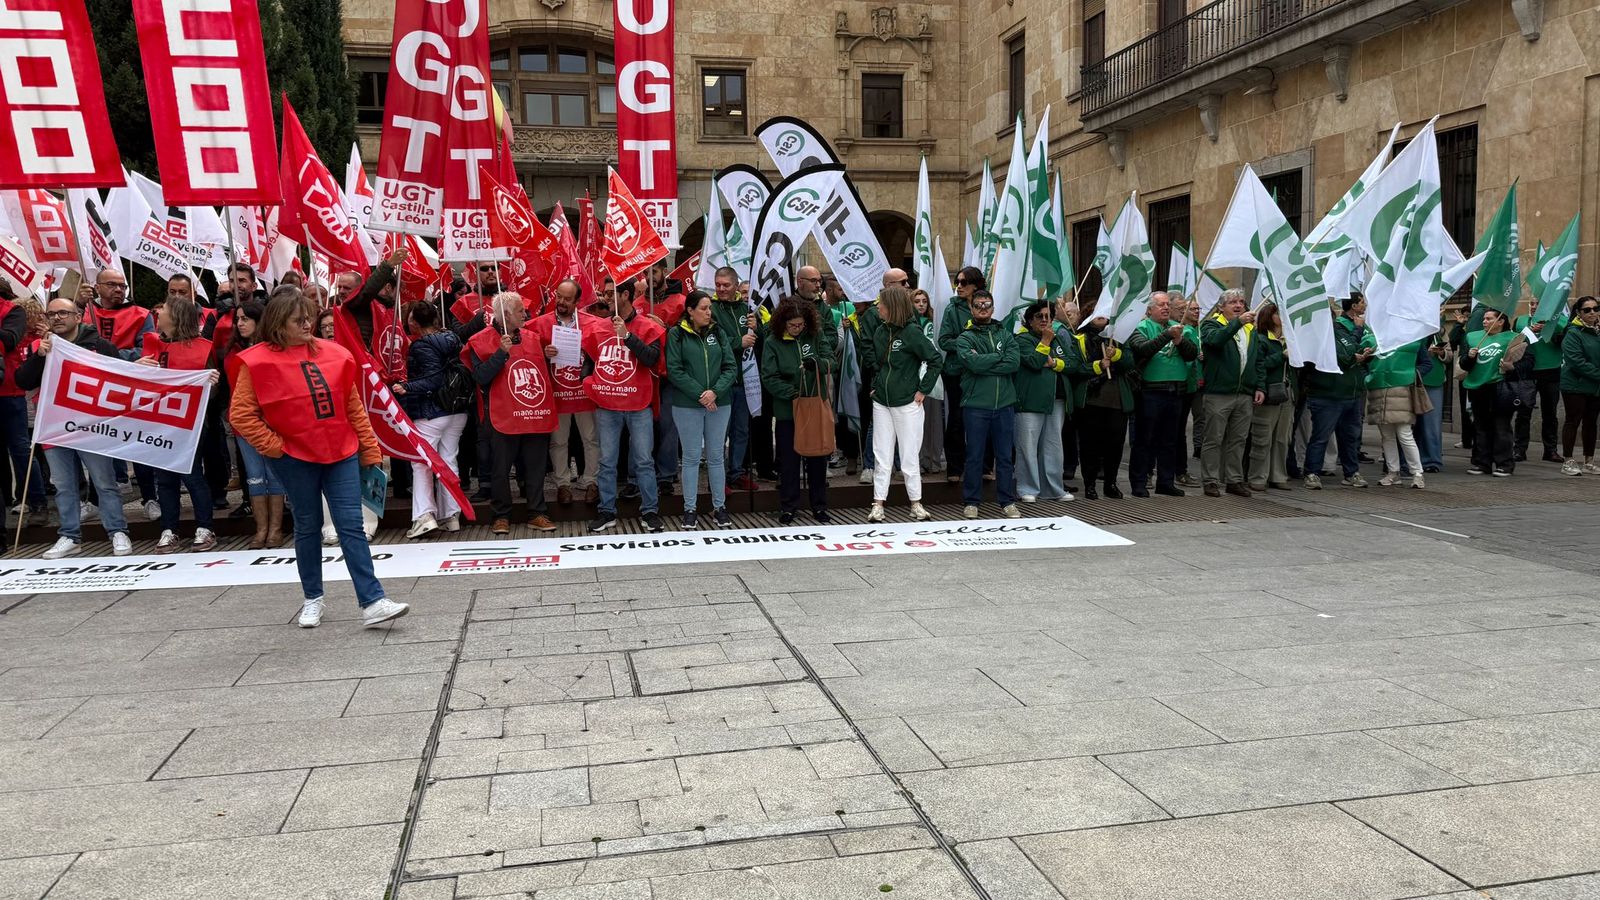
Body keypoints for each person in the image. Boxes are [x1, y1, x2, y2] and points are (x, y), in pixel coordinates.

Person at [229, 286, 409, 629]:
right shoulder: (257, 361)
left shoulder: (336, 354)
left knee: (351, 526)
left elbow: (353, 406)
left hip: (341, 452)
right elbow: (241, 415)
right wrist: (276, 447)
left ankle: (372, 601)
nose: (307, 324)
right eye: (298, 320)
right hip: (294, 458)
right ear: (279, 323)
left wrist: (369, 448)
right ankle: (313, 597)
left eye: (308, 318)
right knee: (308, 526)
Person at [15, 298, 132, 559]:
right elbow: (23, 381)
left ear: (78, 317)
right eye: (51, 314)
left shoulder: (98, 345)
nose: (57, 318)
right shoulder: (40, 345)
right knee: (64, 485)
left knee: (104, 482)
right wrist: (39, 357)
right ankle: (69, 535)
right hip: (55, 426)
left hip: (93, 427)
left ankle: (117, 531)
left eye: (63, 313)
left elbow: (122, 376)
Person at [464, 292, 558, 534]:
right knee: (500, 469)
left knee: (535, 467)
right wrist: (500, 353)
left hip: (533, 413)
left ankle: (537, 512)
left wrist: (549, 355)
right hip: (503, 416)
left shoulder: (533, 338)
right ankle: (501, 515)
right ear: (506, 315)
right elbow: (481, 377)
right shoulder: (480, 340)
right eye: (520, 311)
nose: (525, 315)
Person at [137, 294, 221, 551]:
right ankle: (169, 529)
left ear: (175, 316)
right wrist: (136, 367)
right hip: (159, 423)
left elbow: (213, 392)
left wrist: (210, 384)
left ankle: (205, 528)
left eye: (163, 309)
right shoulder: (151, 345)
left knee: (191, 474)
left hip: (190, 424)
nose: (158, 313)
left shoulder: (202, 348)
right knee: (164, 478)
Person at [585, 277, 667, 533]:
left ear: (626, 295)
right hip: (608, 404)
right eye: (605, 293)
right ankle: (606, 511)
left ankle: (650, 511)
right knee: (607, 461)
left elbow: (652, 359)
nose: (606, 298)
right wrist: (587, 380)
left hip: (638, 404)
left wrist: (628, 337)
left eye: (611, 293)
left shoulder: (648, 326)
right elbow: (589, 359)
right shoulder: (598, 327)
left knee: (643, 461)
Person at [393, 301, 468, 537]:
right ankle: (451, 514)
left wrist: (407, 386)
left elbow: (432, 380)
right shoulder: (452, 338)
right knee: (448, 460)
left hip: (430, 411)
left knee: (422, 463)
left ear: (413, 322)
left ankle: (424, 516)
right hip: (457, 409)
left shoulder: (421, 346)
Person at [866, 286, 940, 522]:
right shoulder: (880, 332)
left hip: (907, 403)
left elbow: (935, 360)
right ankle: (878, 504)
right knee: (881, 454)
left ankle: (916, 503)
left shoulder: (912, 332)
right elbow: (879, 364)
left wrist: (923, 390)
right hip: (882, 402)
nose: (878, 307)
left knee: (909, 455)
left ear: (893, 306)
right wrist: (876, 385)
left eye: (882, 303)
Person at [666, 290, 736, 528]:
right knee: (691, 457)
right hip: (687, 405)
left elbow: (730, 367)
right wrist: (701, 394)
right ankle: (690, 509)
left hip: (719, 403)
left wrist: (714, 392)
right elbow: (675, 370)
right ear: (690, 311)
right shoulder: (676, 334)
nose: (708, 312)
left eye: (710, 308)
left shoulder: (718, 332)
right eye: (704, 308)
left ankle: (719, 507)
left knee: (716, 456)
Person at [219, 301, 286, 548]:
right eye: (238, 319)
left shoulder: (274, 349)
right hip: (243, 423)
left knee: (274, 475)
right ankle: (261, 530)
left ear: (260, 320)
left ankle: (276, 529)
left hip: (270, 422)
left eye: (246, 318)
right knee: (255, 476)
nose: (240, 323)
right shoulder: (231, 350)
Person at [762, 296, 834, 525]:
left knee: (817, 459)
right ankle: (788, 507)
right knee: (789, 462)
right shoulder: (773, 341)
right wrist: (793, 393)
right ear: (783, 323)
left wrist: (817, 363)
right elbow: (769, 377)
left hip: (814, 406)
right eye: (792, 325)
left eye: (800, 325)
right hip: (788, 409)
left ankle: (819, 506)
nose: (797, 328)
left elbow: (831, 361)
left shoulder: (815, 335)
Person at [532, 278, 604, 505]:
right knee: (558, 441)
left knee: (591, 439)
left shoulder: (592, 323)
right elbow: (527, 351)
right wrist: (544, 353)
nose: (561, 302)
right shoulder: (541, 323)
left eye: (567, 299)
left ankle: (591, 481)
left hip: (584, 392)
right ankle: (562, 484)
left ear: (577, 301)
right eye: (559, 297)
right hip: (557, 392)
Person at [954, 290, 1020, 518]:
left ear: (993, 307)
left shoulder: (1006, 334)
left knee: (1005, 457)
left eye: (987, 304)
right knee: (975, 455)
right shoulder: (965, 338)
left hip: (1004, 405)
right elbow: (973, 364)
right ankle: (972, 502)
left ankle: (1007, 501)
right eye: (978, 305)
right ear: (971, 308)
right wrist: (997, 357)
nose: (983, 308)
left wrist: (984, 362)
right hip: (976, 406)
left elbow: (1013, 363)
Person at [1302, 295, 1376, 489]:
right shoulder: (1321, 334)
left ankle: (1351, 473)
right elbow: (1346, 355)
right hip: (1327, 394)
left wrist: (1363, 355)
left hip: (1351, 392)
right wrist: (1358, 333)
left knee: (1350, 437)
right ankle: (1312, 473)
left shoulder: (1340, 328)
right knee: (1321, 436)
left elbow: (1355, 352)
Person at [1126, 292, 1195, 497]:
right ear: (1149, 310)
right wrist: (1167, 336)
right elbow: (1143, 349)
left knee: (1169, 440)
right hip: (1150, 391)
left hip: (1176, 390)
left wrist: (1179, 340)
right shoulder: (1141, 327)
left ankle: (1165, 482)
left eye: (1167, 305)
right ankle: (1139, 482)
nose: (1166, 308)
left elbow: (1191, 354)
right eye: (1160, 305)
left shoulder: (1179, 327)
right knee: (1144, 439)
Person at [1198, 289, 1259, 498]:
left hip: (1244, 393)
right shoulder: (1211, 325)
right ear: (1221, 307)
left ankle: (1234, 479)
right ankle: (1210, 480)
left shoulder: (1250, 328)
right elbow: (1216, 340)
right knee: (1213, 439)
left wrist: (1258, 386)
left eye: (1241, 301)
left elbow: (1257, 360)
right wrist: (1237, 323)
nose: (1238, 305)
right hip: (1219, 393)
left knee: (1238, 439)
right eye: (1233, 302)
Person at [1068, 311, 1134, 500]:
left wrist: (1117, 355)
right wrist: (1097, 366)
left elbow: (1130, 362)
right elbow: (1075, 367)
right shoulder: (1079, 339)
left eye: (1106, 316)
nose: (1103, 319)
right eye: (1099, 316)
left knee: (1115, 444)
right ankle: (1089, 484)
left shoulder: (1118, 339)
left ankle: (1110, 483)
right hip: (1091, 400)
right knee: (1090, 445)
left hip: (1116, 401)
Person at [1013, 300, 1071, 503]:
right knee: (1027, 447)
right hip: (1030, 401)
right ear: (1030, 320)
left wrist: (1055, 363)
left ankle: (1053, 489)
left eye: (1049, 316)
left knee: (1053, 446)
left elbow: (1073, 362)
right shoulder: (1021, 340)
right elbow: (1034, 362)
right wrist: (1045, 342)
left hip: (1055, 400)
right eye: (1040, 316)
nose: (1045, 320)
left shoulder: (1059, 339)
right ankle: (1026, 488)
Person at [1460, 307, 1525, 477]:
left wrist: (1511, 367)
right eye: (1484, 318)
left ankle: (1504, 464)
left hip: (1500, 386)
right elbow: (1463, 364)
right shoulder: (1472, 337)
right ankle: (1482, 463)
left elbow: (1526, 363)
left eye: (1489, 319)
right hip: (1478, 387)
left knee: (1501, 425)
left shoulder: (1513, 338)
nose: (1484, 321)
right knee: (1480, 426)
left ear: (1501, 321)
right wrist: (1469, 357)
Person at [710, 267, 758, 491]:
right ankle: (717, 478)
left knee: (741, 430)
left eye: (726, 285)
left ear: (736, 286)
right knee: (720, 432)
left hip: (745, 380)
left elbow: (762, 339)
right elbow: (712, 340)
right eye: (718, 285)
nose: (721, 289)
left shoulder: (746, 308)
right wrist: (739, 342)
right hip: (722, 382)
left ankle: (736, 472)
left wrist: (757, 328)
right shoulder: (711, 309)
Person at [0, 284, 44, 526]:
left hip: (9, 390)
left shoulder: (12, 311)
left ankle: (37, 502)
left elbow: (9, 339)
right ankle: (7, 501)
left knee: (20, 449)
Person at [1366, 338, 1431, 488]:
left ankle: (1417, 473)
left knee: (1404, 434)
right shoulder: (1375, 339)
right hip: (1380, 392)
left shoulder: (1411, 338)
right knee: (1387, 436)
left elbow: (1427, 364)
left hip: (1401, 392)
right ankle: (1393, 472)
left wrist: (1409, 375)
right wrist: (1368, 376)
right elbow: (1365, 362)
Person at [938, 267, 981, 482]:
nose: (959, 286)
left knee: (982, 418)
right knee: (956, 418)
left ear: (976, 285)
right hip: (956, 371)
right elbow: (944, 340)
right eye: (957, 282)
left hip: (981, 371)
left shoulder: (985, 304)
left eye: (964, 282)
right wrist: (967, 344)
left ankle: (983, 465)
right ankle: (954, 467)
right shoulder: (952, 309)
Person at [1247, 303, 1294, 491]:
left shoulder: (1288, 339)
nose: (1282, 316)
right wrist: (1281, 356)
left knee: (1282, 438)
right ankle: (1258, 476)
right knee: (1262, 437)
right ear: (1269, 317)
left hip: (1286, 392)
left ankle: (1278, 475)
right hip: (1268, 392)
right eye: (1278, 313)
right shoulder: (1261, 339)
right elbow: (1259, 365)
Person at [1512, 308, 1565, 462]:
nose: (1534, 306)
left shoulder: (1560, 320)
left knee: (1550, 413)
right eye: (1532, 303)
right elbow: (1513, 342)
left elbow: (1564, 342)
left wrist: (1550, 329)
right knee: (1523, 412)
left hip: (1551, 371)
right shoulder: (1520, 320)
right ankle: (1519, 450)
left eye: (1538, 303)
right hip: (1527, 372)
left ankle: (1550, 450)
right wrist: (1528, 331)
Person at [1560, 296, 1600, 474]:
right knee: (1573, 421)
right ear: (1578, 312)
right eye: (1587, 310)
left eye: (1596, 308)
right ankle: (1568, 461)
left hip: (1595, 385)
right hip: (1575, 385)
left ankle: (1589, 461)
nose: (1592, 312)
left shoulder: (1597, 331)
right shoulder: (1573, 333)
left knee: (1591, 423)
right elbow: (1576, 361)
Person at [910, 289, 947, 475]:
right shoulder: (909, 325)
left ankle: (933, 461)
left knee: (933, 420)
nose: (921, 304)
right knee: (916, 423)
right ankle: (918, 461)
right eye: (917, 301)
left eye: (924, 301)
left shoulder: (934, 323)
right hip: (912, 377)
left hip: (932, 376)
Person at [1416, 322, 1453, 473]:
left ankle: (1432, 460)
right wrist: (1425, 351)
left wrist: (1441, 352)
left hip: (1434, 379)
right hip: (1412, 377)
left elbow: (1449, 356)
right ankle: (1411, 458)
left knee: (1432, 423)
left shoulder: (1440, 331)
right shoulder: (1409, 328)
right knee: (1412, 422)